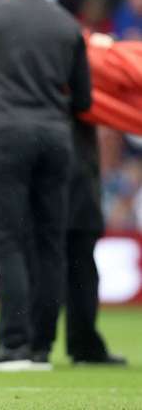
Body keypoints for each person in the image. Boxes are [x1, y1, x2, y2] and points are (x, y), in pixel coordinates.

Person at [0, 0, 92, 371]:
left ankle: (14, 343)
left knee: (8, 239)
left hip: (7, 133)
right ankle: (41, 345)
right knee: (49, 242)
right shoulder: (68, 25)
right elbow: (84, 96)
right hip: (56, 137)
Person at [61, 118, 127, 366]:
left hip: (51, 181)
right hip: (79, 180)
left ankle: (31, 345)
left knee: (46, 264)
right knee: (82, 269)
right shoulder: (91, 91)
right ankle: (84, 345)